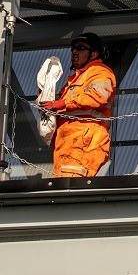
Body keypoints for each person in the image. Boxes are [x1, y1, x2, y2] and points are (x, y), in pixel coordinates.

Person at [41, 32, 117, 178]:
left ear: (94, 54)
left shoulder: (100, 72)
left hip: (85, 137)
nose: (75, 51)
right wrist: (45, 95)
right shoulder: (76, 78)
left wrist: (61, 103)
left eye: (81, 48)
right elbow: (60, 102)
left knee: (72, 184)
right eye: (73, 48)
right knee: (62, 182)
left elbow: (98, 96)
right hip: (69, 141)